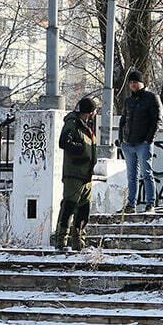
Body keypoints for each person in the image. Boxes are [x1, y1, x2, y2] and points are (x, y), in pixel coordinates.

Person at [52, 96, 99, 251]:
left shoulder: (86, 125)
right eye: (94, 111)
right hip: (74, 173)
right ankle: (61, 241)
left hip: (86, 175)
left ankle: (79, 242)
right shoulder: (73, 123)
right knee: (69, 207)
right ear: (90, 112)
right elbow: (64, 141)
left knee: (83, 210)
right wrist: (79, 149)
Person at [118, 69, 162, 214]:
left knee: (147, 174)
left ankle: (150, 204)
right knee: (131, 176)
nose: (133, 85)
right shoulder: (128, 100)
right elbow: (123, 120)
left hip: (143, 143)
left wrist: (149, 139)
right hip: (128, 143)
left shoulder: (152, 98)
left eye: (135, 82)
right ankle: (131, 205)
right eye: (131, 83)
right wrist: (121, 139)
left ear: (142, 83)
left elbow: (157, 120)